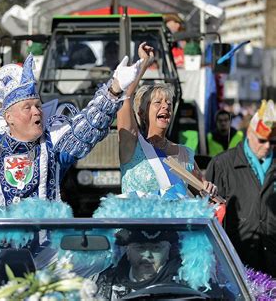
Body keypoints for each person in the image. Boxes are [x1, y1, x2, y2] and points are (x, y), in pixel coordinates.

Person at [0, 52, 139, 234]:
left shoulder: (52, 143)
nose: (37, 111)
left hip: (49, 255)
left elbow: (87, 127)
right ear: (8, 117)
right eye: (27, 107)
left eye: (38, 105)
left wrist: (114, 89)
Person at [117, 42, 216, 199]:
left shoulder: (184, 153)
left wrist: (209, 189)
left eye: (168, 103)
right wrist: (144, 63)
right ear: (142, 113)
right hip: (137, 223)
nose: (166, 107)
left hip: (174, 224)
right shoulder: (132, 146)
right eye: (158, 103)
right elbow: (124, 100)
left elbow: (204, 194)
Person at [206, 100, 276, 276]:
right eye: (263, 140)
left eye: (273, 142)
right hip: (238, 261)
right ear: (250, 134)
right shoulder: (222, 164)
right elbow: (209, 215)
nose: (267, 146)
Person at [95, 229, 181, 299]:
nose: (148, 255)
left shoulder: (184, 282)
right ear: (127, 252)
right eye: (140, 248)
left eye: (156, 248)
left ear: (168, 252)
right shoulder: (103, 282)